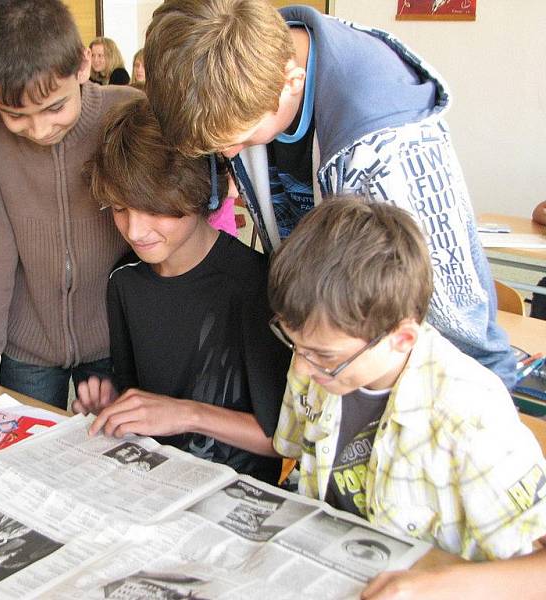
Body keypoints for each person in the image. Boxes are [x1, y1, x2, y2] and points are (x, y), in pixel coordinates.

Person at [143, 0, 517, 390]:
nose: (230, 155)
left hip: (410, 378)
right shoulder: (243, 61)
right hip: (332, 356)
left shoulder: (388, 142)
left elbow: (457, 321)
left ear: (292, 83)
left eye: (238, 139)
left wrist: (477, 405)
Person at [268, 198, 546, 599]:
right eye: (295, 345)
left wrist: (435, 587)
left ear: (402, 339)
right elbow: (292, 450)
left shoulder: (471, 414)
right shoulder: (314, 362)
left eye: (325, 357)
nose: (303, 368)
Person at [73, 97, 291, 483]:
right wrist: (114, 405)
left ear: (202, 190)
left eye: (153, 208)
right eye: (120, 208)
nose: (135, 231)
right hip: (155, 484)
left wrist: (187, 413)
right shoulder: (124, 281)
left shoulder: (256, 285)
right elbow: (140, 399)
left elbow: (282, 440)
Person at [0, 0, 141, 409]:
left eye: (55, 107)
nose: (40, 129)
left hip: (113, 340)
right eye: (17, 115)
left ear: (82, 66)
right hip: (28, 346)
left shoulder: (126, 112)